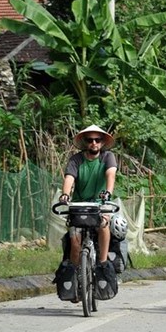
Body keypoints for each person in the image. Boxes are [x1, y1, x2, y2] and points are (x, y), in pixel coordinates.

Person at [56, 124, 117, 299]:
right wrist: (65, 195)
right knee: (75, 238)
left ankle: (103, 263)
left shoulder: (108, 157)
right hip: (79, 204)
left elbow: (110, 175)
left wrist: (108, 193)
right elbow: (69, 178)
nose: (94, 143)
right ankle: (76, 275)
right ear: (85, 142)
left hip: (100, 203)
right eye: (90, 140)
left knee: (104, 224)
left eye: (97, 140)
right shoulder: (76, 160)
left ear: (102, 142)